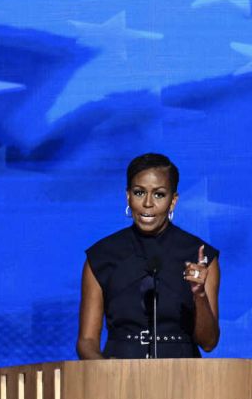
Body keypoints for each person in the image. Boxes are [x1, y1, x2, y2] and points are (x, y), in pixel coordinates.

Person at [76, 153, 220, 359]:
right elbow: (86, 341)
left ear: (173, 201)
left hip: (184, 381)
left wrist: (199, 295)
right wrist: (106, 374)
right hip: (117, 381)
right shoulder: (101, 256)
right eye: (139, 192)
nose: (148, 204)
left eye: (159, 194)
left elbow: (209, 343)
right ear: (128, 196)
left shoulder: (200, 257)